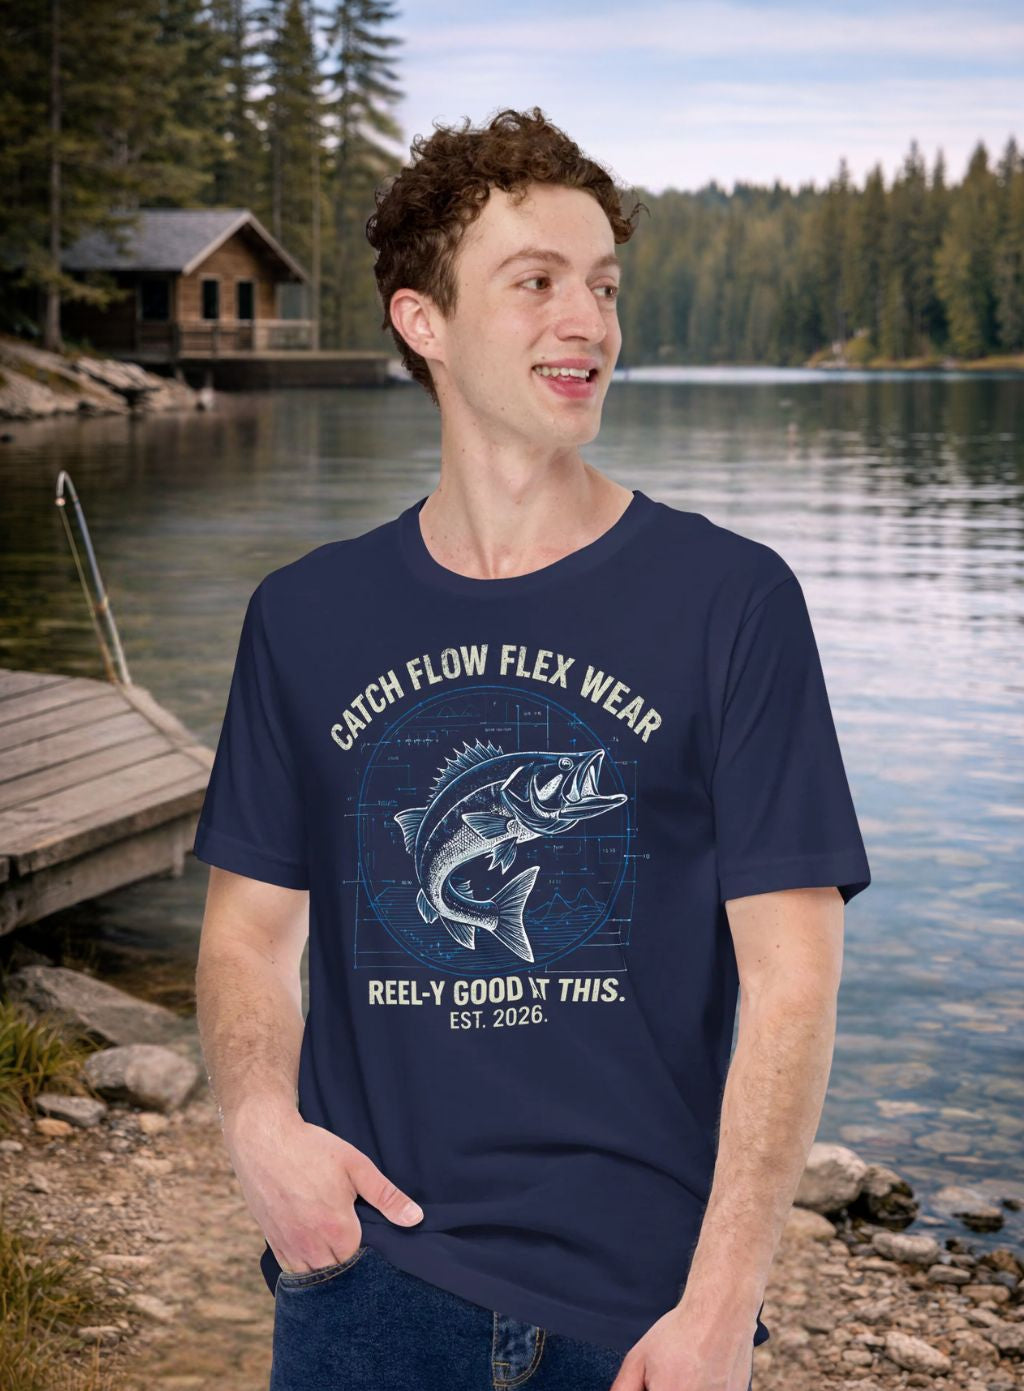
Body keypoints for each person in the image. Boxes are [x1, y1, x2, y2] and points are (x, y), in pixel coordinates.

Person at [193, 106, 871, 1391]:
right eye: (537, 283)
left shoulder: (731, 599)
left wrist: (723, 1303)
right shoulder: (304, 615)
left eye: (604, 286)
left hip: (641, 1311)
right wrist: (262, 1131)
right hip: (367, 1280)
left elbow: (791, 981)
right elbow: (246, 937)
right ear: (423, 322)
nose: (590, 322)